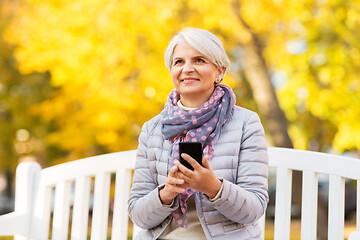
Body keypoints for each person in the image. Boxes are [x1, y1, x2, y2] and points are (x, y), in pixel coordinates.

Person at [128, 27, 269, 240]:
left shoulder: (245, 123)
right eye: (179, 62)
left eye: (199, 60)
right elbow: (139, 215)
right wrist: (166, 193)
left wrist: (213, 188)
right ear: (171, 71)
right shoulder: (152, 129)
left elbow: (254, 209)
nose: (187, 69)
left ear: (220, 71)